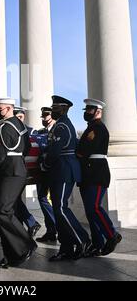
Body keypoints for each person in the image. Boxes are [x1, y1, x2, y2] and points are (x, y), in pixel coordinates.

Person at [0, 98, 37, 269]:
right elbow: (28, 147)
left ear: (9, 108)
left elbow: (0, 154)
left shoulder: (5, 127)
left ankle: (26, 244)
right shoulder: (20, 125)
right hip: (18, 168)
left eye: (0, 108)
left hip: (9, 172)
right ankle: (12, 254)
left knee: (3, 211)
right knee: (6, 211)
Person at [45, 96, 91, 262]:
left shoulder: (62, 126)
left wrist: (45, 164)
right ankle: (66, 248)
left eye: (55, 107)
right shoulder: (61, 124)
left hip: (64, 170)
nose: (52, 109)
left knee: (61, 208)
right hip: (60, 170)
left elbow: (55, 150)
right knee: (58, 210)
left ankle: (82, 239)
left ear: (63, 109)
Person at [77, 98, 122, 257]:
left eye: (90, 111)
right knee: (90, 211)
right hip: (88, 173)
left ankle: (111, 234)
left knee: (94, 207)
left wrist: (78, 152)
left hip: (96, 173)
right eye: (86, 110)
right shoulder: (91, 127)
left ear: (98, 112)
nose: (87, 113)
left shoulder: (98, 128)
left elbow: (85, 150)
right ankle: (97, 244)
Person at [13, 106, 42, 238]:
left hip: (26, 171)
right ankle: (23, 226)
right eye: (17, 117)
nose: (19, 119)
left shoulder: (31, 131)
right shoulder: (11, 129)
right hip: (16, 170)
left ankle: (30, 223)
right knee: (14, 199)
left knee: (13, 199)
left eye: (21, 117)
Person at [35, 107, 58, 243]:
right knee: (42, 198)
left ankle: (56, 227)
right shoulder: (40, 132)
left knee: (56, 201)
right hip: (42, 171)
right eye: (42, 116)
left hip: (54, 170)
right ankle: (51, 231)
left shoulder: (58, 130)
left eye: (46, 115)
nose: (43, 118)